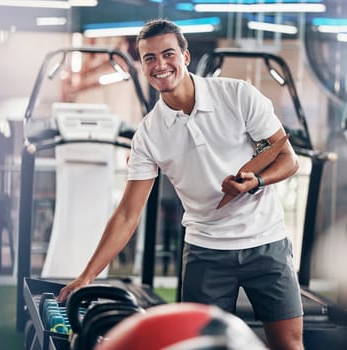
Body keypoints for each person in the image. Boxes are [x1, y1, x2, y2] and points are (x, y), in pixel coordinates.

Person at [58, 19, 304, 349]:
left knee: (288, 344)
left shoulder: (238, 95)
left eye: (168, 54)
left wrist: (256, 181)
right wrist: (87, 276)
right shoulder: (149, 134)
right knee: (200, 345)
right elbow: (128, 214)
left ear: (185, 57)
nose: (160, 65)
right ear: (142, 65)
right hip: (207, 252)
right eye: (149, 58)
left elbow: (287, 158)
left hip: (266, 242)